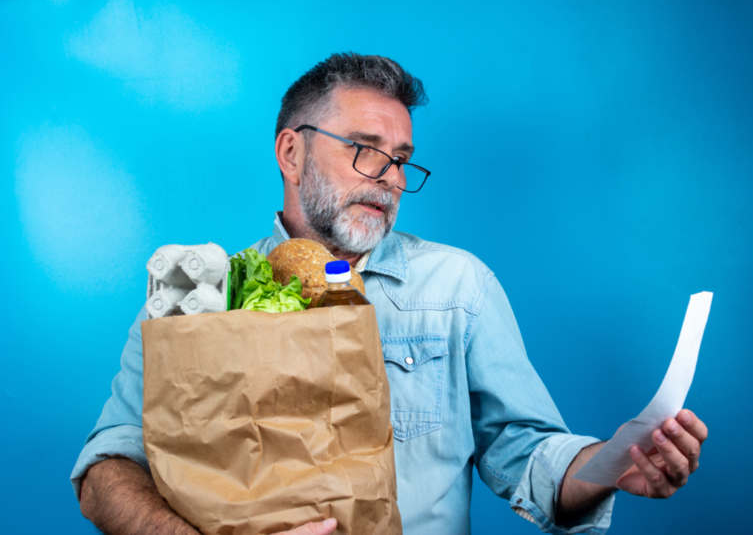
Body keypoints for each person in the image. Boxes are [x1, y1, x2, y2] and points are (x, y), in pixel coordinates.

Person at [71, 53, 708, 535]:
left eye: (401, 158)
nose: (391, 179)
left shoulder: (458, 287)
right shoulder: (194, 296)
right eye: (364, 150)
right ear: (292, 152)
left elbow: (526, 453)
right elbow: (107, 471)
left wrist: (609, 462)